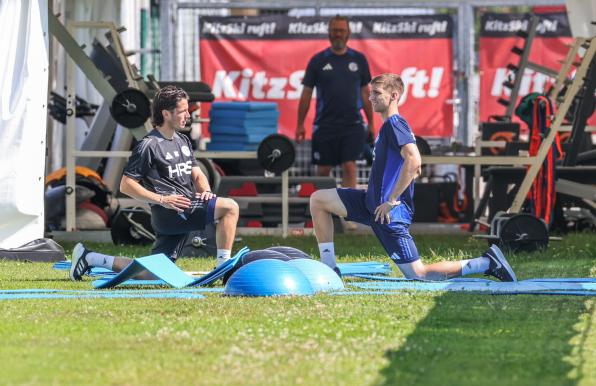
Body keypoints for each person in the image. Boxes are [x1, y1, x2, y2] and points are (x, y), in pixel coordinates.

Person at [308, 73, 517, 281]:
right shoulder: (387, 126)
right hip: (369, 204)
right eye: (370, 93)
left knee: (419, 275)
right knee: (319, 200)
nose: (370, 97)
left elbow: (414, 160)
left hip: (388, 214)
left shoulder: (395, 124)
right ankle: (329, 268)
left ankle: (487, 262)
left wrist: (391, 200)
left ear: (394, 95)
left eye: (377, 93)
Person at [70, 85, 239, 281]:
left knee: (152, 273)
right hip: (172, 211)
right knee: (230, 208)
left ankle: (91, 258)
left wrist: (207, 192)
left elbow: (198, 174)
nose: (188, 115)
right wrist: (161, 200)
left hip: (180, 209)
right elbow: (126, 185)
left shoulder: (182, 140)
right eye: (183, 111)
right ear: (166, 113)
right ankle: (224, 269)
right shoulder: (148, 145)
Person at [296, 15, 374, 209]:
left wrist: (372, 123)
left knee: (349, 167)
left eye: (342, 30)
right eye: (335, 30)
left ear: (348, 34)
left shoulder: (359, 60)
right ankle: (322, 212)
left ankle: (349, 213)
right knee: (322, 171)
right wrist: (299, 124)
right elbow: (306, 94)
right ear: (329, 33)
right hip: (325, 125)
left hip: (352, 125)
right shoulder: (317, 61)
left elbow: (366, 93)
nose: (338, 34)